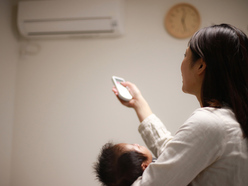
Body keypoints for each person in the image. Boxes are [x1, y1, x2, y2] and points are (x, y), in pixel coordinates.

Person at [111, 24, 248, 185]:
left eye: (185, 55)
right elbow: (177, 155)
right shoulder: (233, 118)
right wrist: (139, 103)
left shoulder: (210, 123)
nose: (182, 62)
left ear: (201, 65)